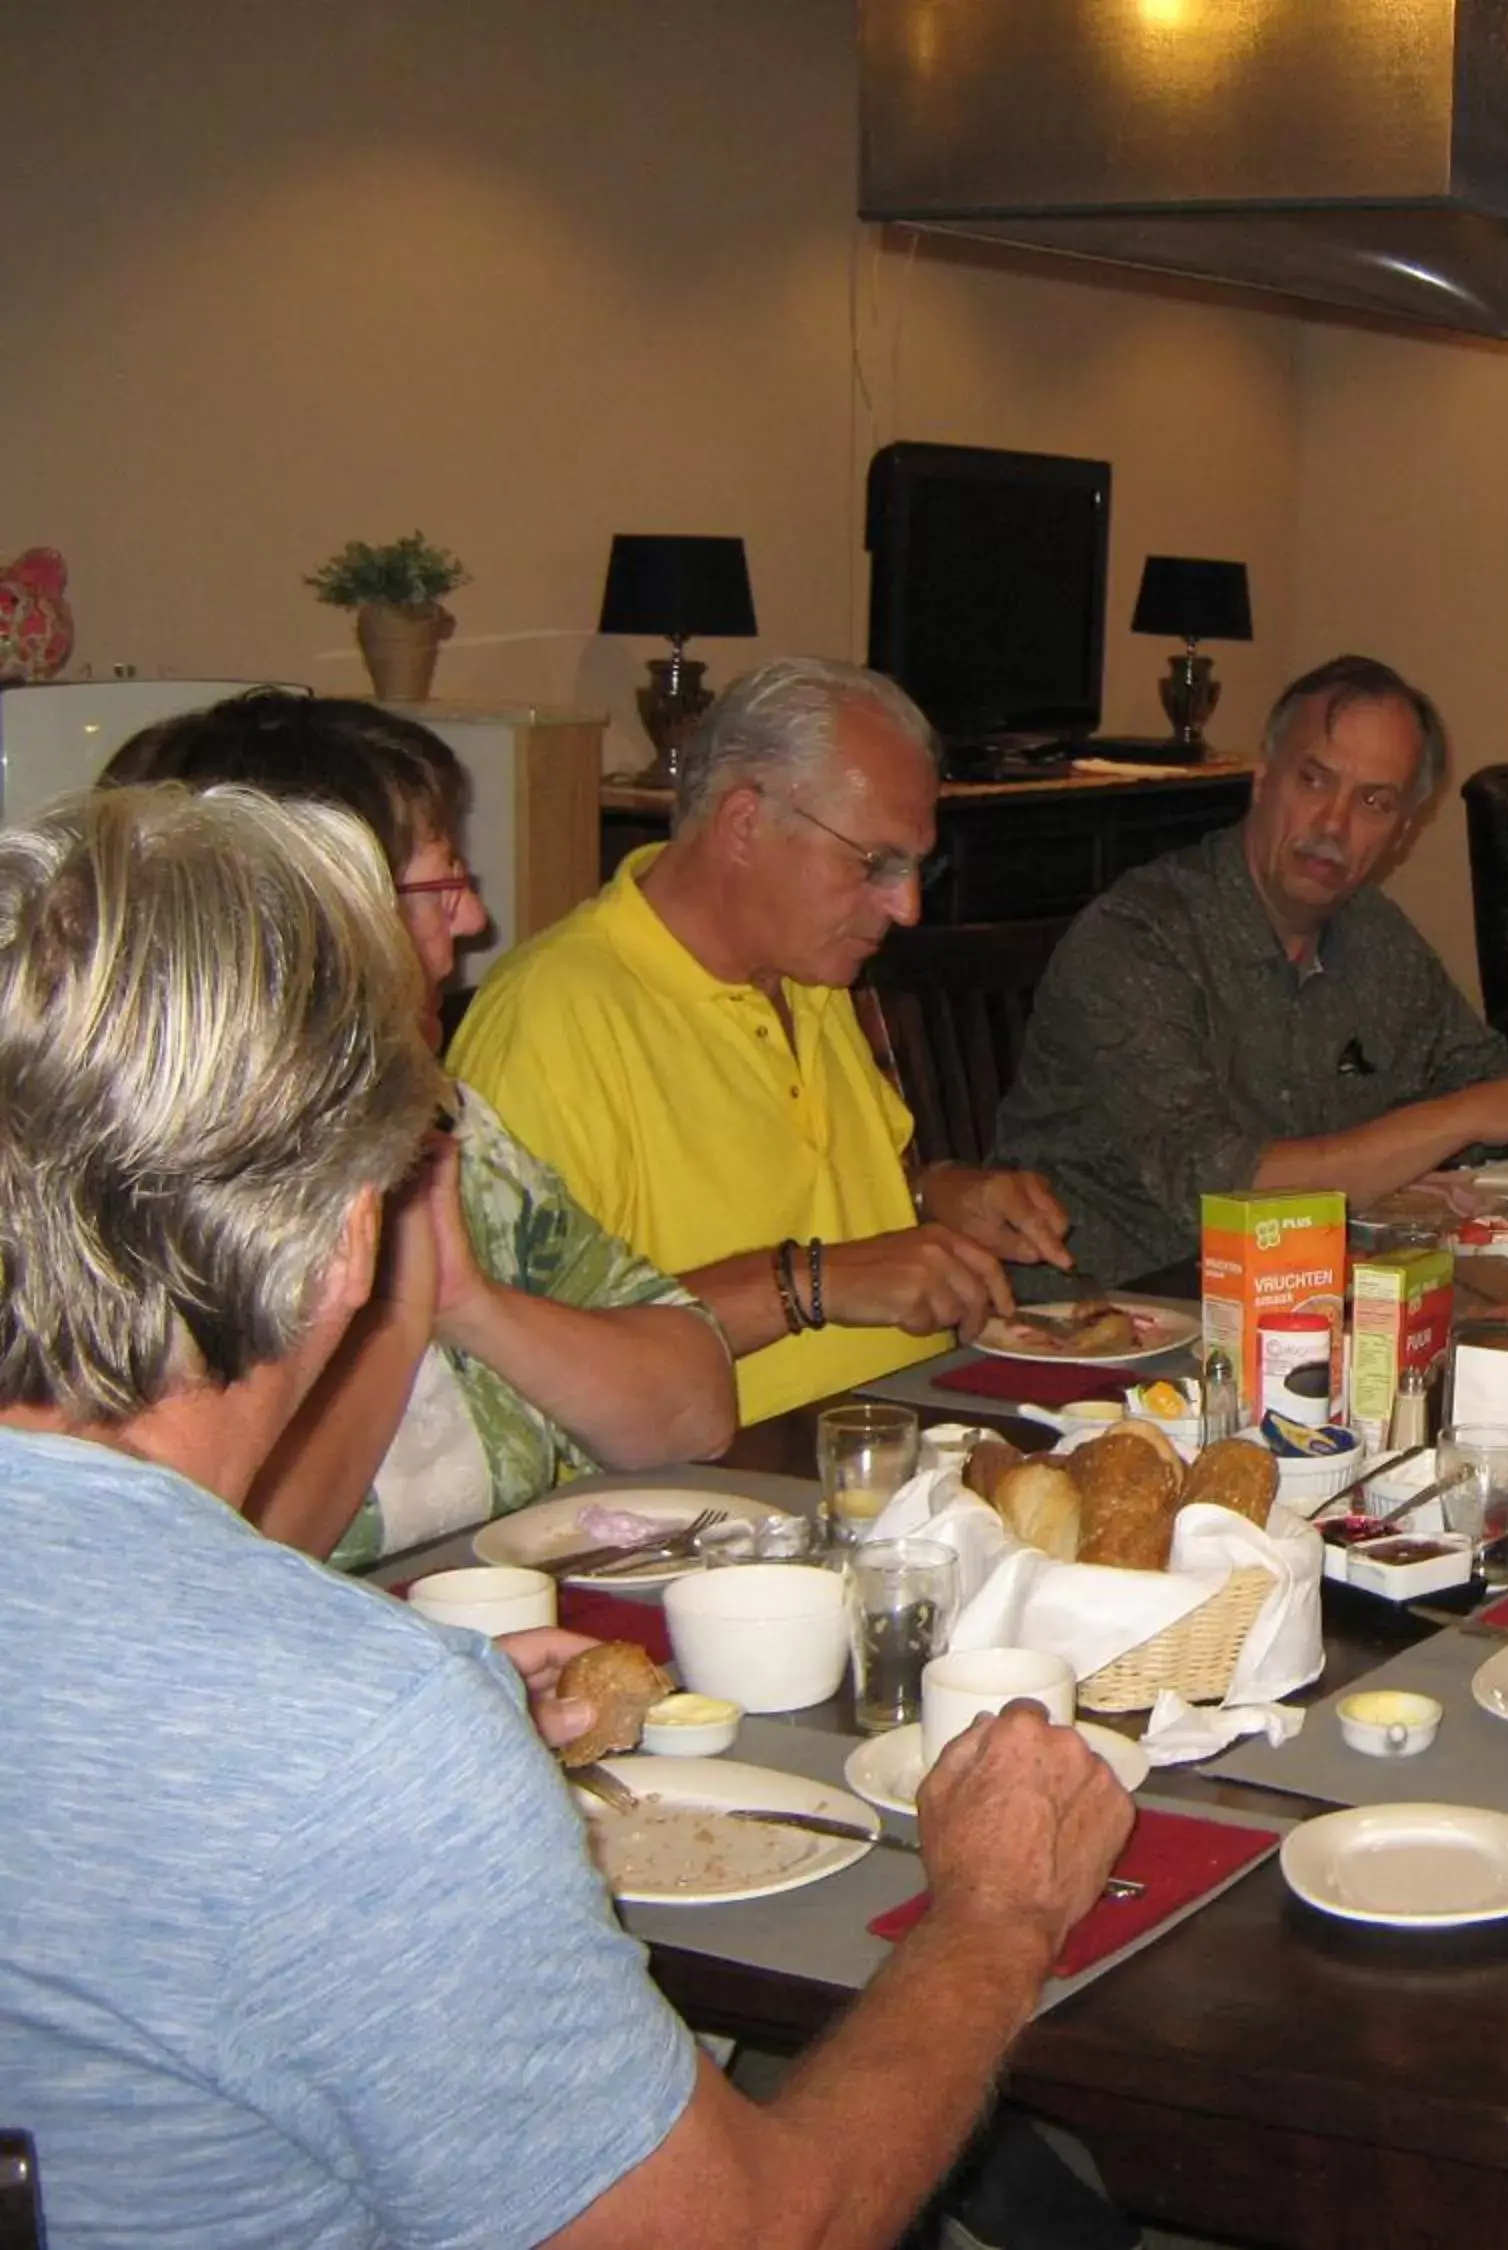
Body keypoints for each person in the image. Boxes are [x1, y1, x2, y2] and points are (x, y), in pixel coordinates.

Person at [0, 783, 1132, 2246]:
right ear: (356, 1234)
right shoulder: (356, 1738)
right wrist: (998, 1917)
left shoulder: (345, 1713)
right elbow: (757, 2231)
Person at [95, 692, 737, 1567]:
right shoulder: (160, 1193)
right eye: (440, 885)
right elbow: (213, 1566)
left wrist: (473, 1304)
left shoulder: (444, 1122)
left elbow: (696, 1407)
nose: (473, 919)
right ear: (318, 917)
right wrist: (396, 1314)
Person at [450, 658, 1074, 1423]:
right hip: (708, 1505)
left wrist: (935, 1195)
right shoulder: (552, 1020)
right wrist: (808, 1284)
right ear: (744, 823)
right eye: (875, 862)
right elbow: (500, 1365)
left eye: (918, 866)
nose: (907, 906)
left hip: (903, 1448)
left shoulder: (812, 975)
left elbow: (814, 1192)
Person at [990, 653, 1508, 1283]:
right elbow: (1219, 1193)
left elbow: (1482, 1096)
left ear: (1401, 834)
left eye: (1374, 801)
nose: (1334, 824)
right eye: (1313, 781)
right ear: (1262, 779)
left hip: (1293, 1306)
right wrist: (1469, 1114)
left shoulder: (1374, 935)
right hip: (1099, 1323)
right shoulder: (1138, 938)